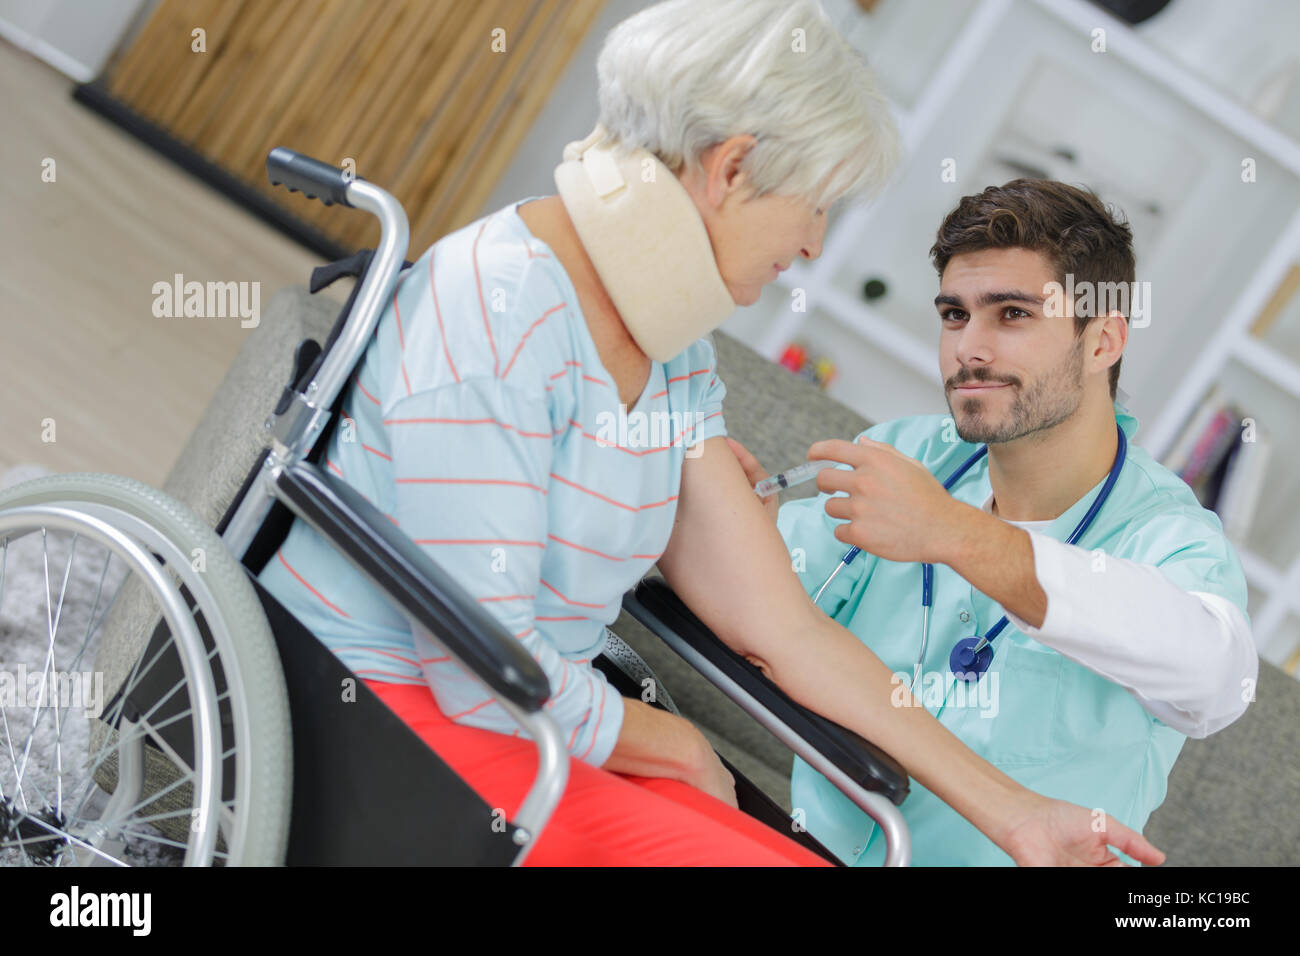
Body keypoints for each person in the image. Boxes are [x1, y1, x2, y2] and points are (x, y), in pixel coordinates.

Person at [258, 0, 1164, 866]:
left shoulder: (673, 353)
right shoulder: (497, 308)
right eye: (817, 206)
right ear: (732, 170)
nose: (812, 245)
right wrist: (669, 741)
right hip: (387, 718)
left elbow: (788, 633)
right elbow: (472, 668)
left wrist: (1018, 817)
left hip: (541, 728)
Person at [728, 178, 1258, 865]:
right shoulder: (912, 455)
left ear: (1102, 342)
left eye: (1011, 314)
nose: (969, 349)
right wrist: (750, 528)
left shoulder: (1170, 539)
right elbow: (756, 596)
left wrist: (953, 533)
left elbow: (1217, 680)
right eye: (955, 315)